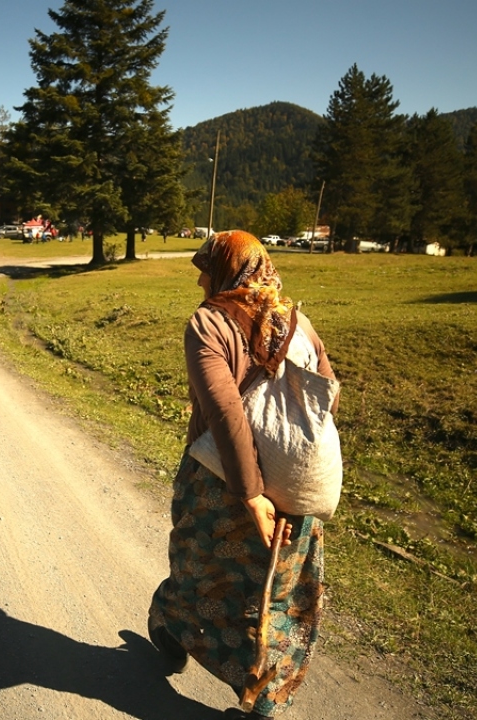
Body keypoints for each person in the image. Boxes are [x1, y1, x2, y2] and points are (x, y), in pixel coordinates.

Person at [148, 230, 338, 718]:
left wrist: (252, 495)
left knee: (199, 570)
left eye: (205, 267)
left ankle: (171, 626)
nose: (199, 278)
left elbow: (225, 413)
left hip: (218, 483)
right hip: (292, 491)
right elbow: (329, 394)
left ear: (225, 270)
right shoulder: (297, 324)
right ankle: (266, 701)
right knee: (278, 594)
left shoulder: (209, 323)